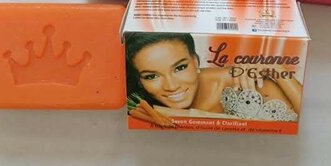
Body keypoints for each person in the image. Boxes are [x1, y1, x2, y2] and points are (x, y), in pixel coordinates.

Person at [125, 32, 303, 118]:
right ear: (139, 80)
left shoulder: (245, 84)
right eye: (151, 76)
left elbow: (305, 123)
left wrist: (276, 67)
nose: (171, 86)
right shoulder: (140, 106)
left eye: (180, 68)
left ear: (196, 62)